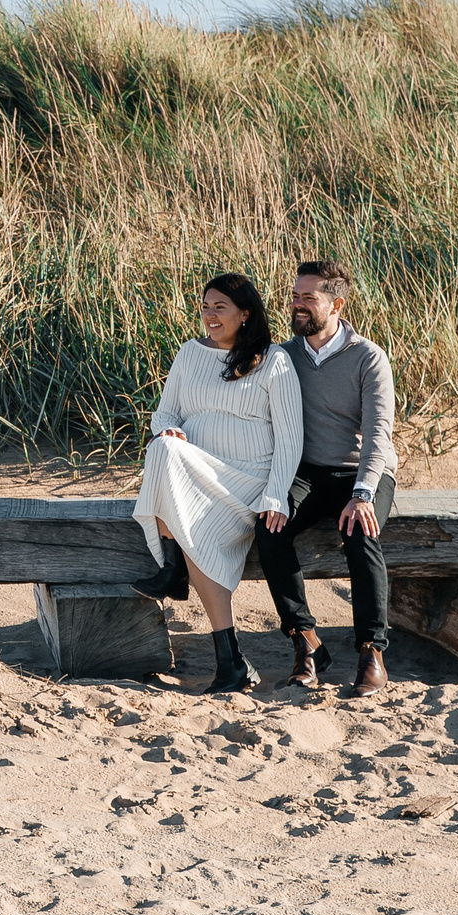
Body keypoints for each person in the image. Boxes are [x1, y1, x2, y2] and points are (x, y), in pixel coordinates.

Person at [131, 272, 304, 694]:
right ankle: (230, 662)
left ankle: (173, 568)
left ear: (245, 314)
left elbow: (290, 436)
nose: (209, 315)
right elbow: (165, 414)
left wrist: (275, 493)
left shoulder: (273, 360)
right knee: (163, 446)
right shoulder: (189, 354)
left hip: (246, 480)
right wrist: (169, 430)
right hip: (195, 473)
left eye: (220, 308)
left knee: (169, 466)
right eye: (206, 306)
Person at [253, 259, 398, 697]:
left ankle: (372, 650)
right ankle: (306, 642)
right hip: (309, 472)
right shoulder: (283, 355)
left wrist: (362, 494)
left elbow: (377, 435)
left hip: (364, 471)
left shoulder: (368, 358)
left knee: (360, 531)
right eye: (294, 296)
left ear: (336, 304)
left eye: (307, 298)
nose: (296, 305)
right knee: (270, 526)